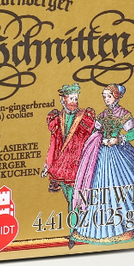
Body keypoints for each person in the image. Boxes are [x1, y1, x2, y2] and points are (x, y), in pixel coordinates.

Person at [72, 83, 134, 244]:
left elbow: (133, 133)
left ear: (117, 97)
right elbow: (96, 132)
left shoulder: (123, 114)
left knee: (124, 183)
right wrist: (99, 139)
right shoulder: (103, 115)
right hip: (102, 154)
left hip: (117, 153)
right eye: (104, 96)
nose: (106, 99)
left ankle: (129, 224)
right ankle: (98, 228)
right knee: (99, 186)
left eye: (109, 96)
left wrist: (118, 139)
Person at [44, 84, 99, 246]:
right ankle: (77, 232)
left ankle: (74, 234)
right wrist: (48, 164)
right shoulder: (56, 118)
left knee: (76, 201)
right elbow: (54, 144)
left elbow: (93, 137)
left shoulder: (85, 117)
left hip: (79, 166)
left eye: (76, 98)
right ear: (63, 100)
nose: (75, 101)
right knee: (71, 200)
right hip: (61, 167)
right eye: (71, 98)